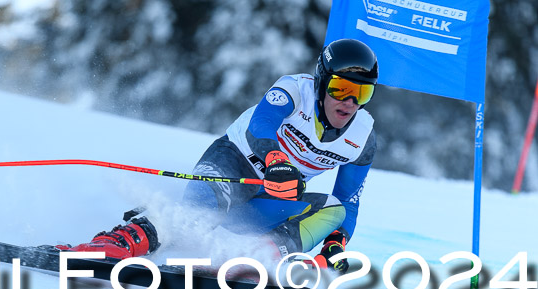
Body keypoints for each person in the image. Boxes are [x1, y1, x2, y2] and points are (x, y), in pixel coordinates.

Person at [61, 38, 379, 274]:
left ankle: (253, 259)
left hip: (273, 194)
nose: (350, 102)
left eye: (362, 93)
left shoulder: (362, 138)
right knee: (198, 210)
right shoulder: (295, 90)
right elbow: (261, 125)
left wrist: (337, 243)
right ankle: (121, 244)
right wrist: (276, 160)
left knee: (333, 211)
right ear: (322, 82)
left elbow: (349, 200)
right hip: (235, 164)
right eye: (341, 88)